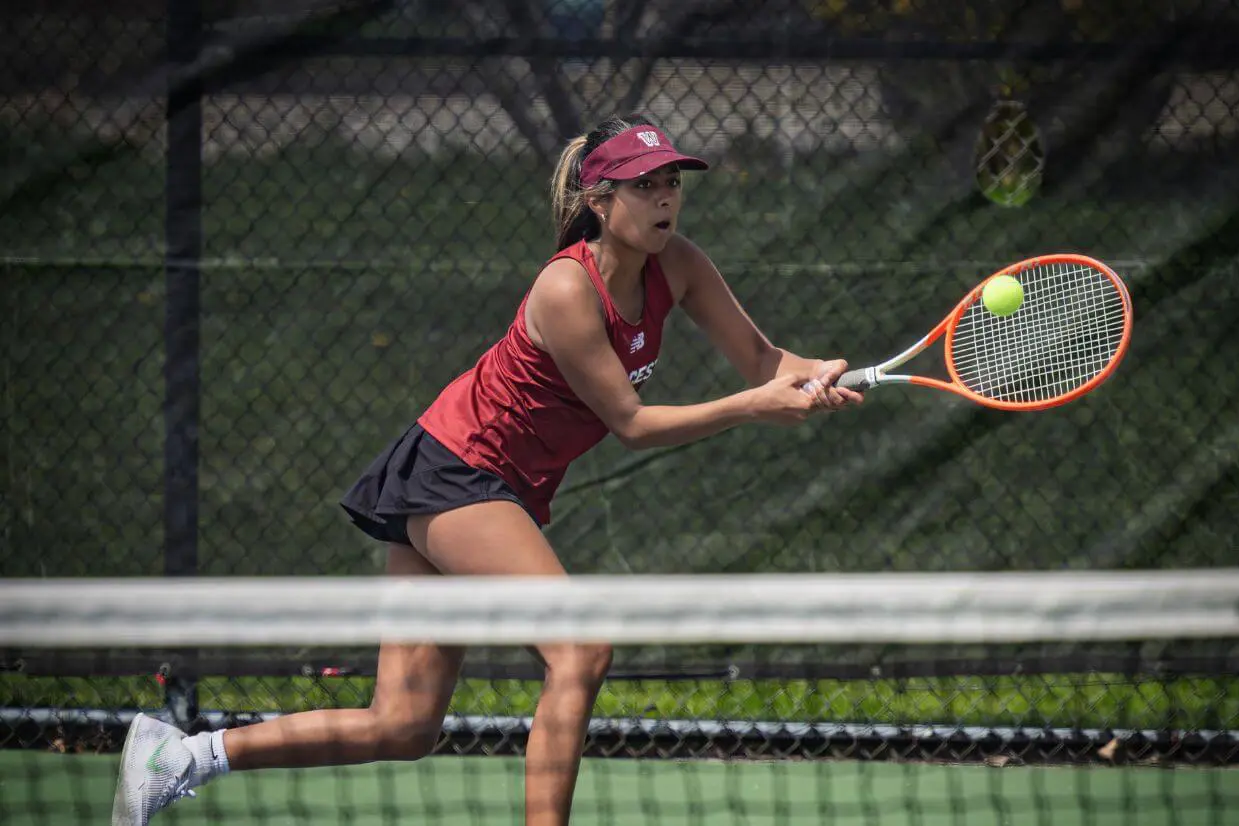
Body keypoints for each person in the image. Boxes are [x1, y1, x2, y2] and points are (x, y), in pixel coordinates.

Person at [112, 114, 861, 826]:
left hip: (487, 483)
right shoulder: (567, 289)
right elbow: (630, 424)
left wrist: (817, 375)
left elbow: (764, 361)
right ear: (599, 201)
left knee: (403, 724)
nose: (665, 197)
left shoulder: (683, 264)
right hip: (458, 472)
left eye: (672, 181)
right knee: (580, 649)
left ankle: (180, 757)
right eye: (644, 184)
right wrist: (754, 406)